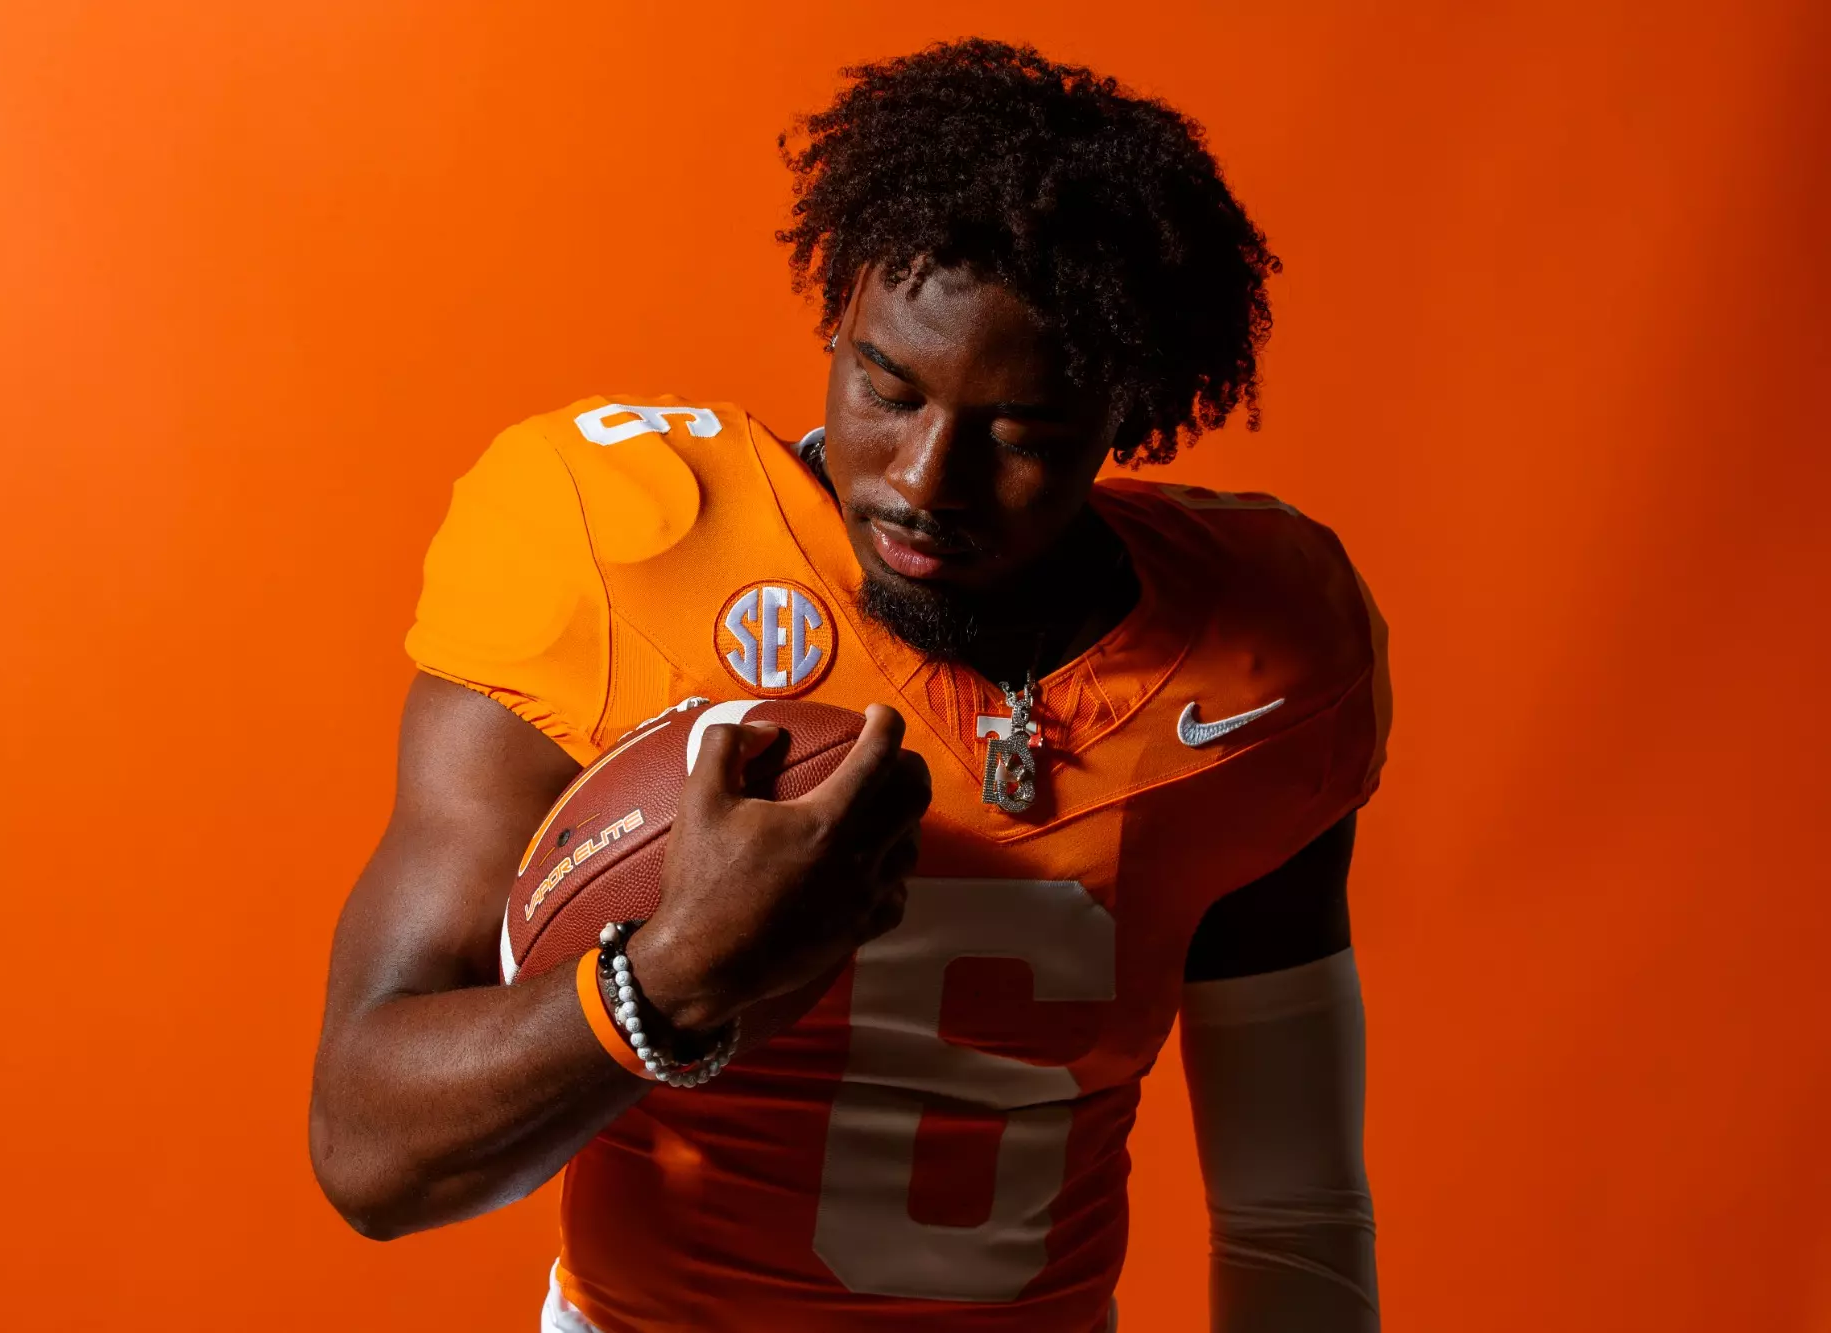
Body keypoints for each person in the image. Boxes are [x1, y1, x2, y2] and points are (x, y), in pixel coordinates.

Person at [309, 38, 1389, 1333]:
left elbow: (1291, 1207)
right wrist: (665, 980)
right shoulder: (622, 553)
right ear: (839, 313)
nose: (926, 480)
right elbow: (370, 1154)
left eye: (1025, 437)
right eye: (886, 387)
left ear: (1132, 415)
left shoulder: (1265, 649)